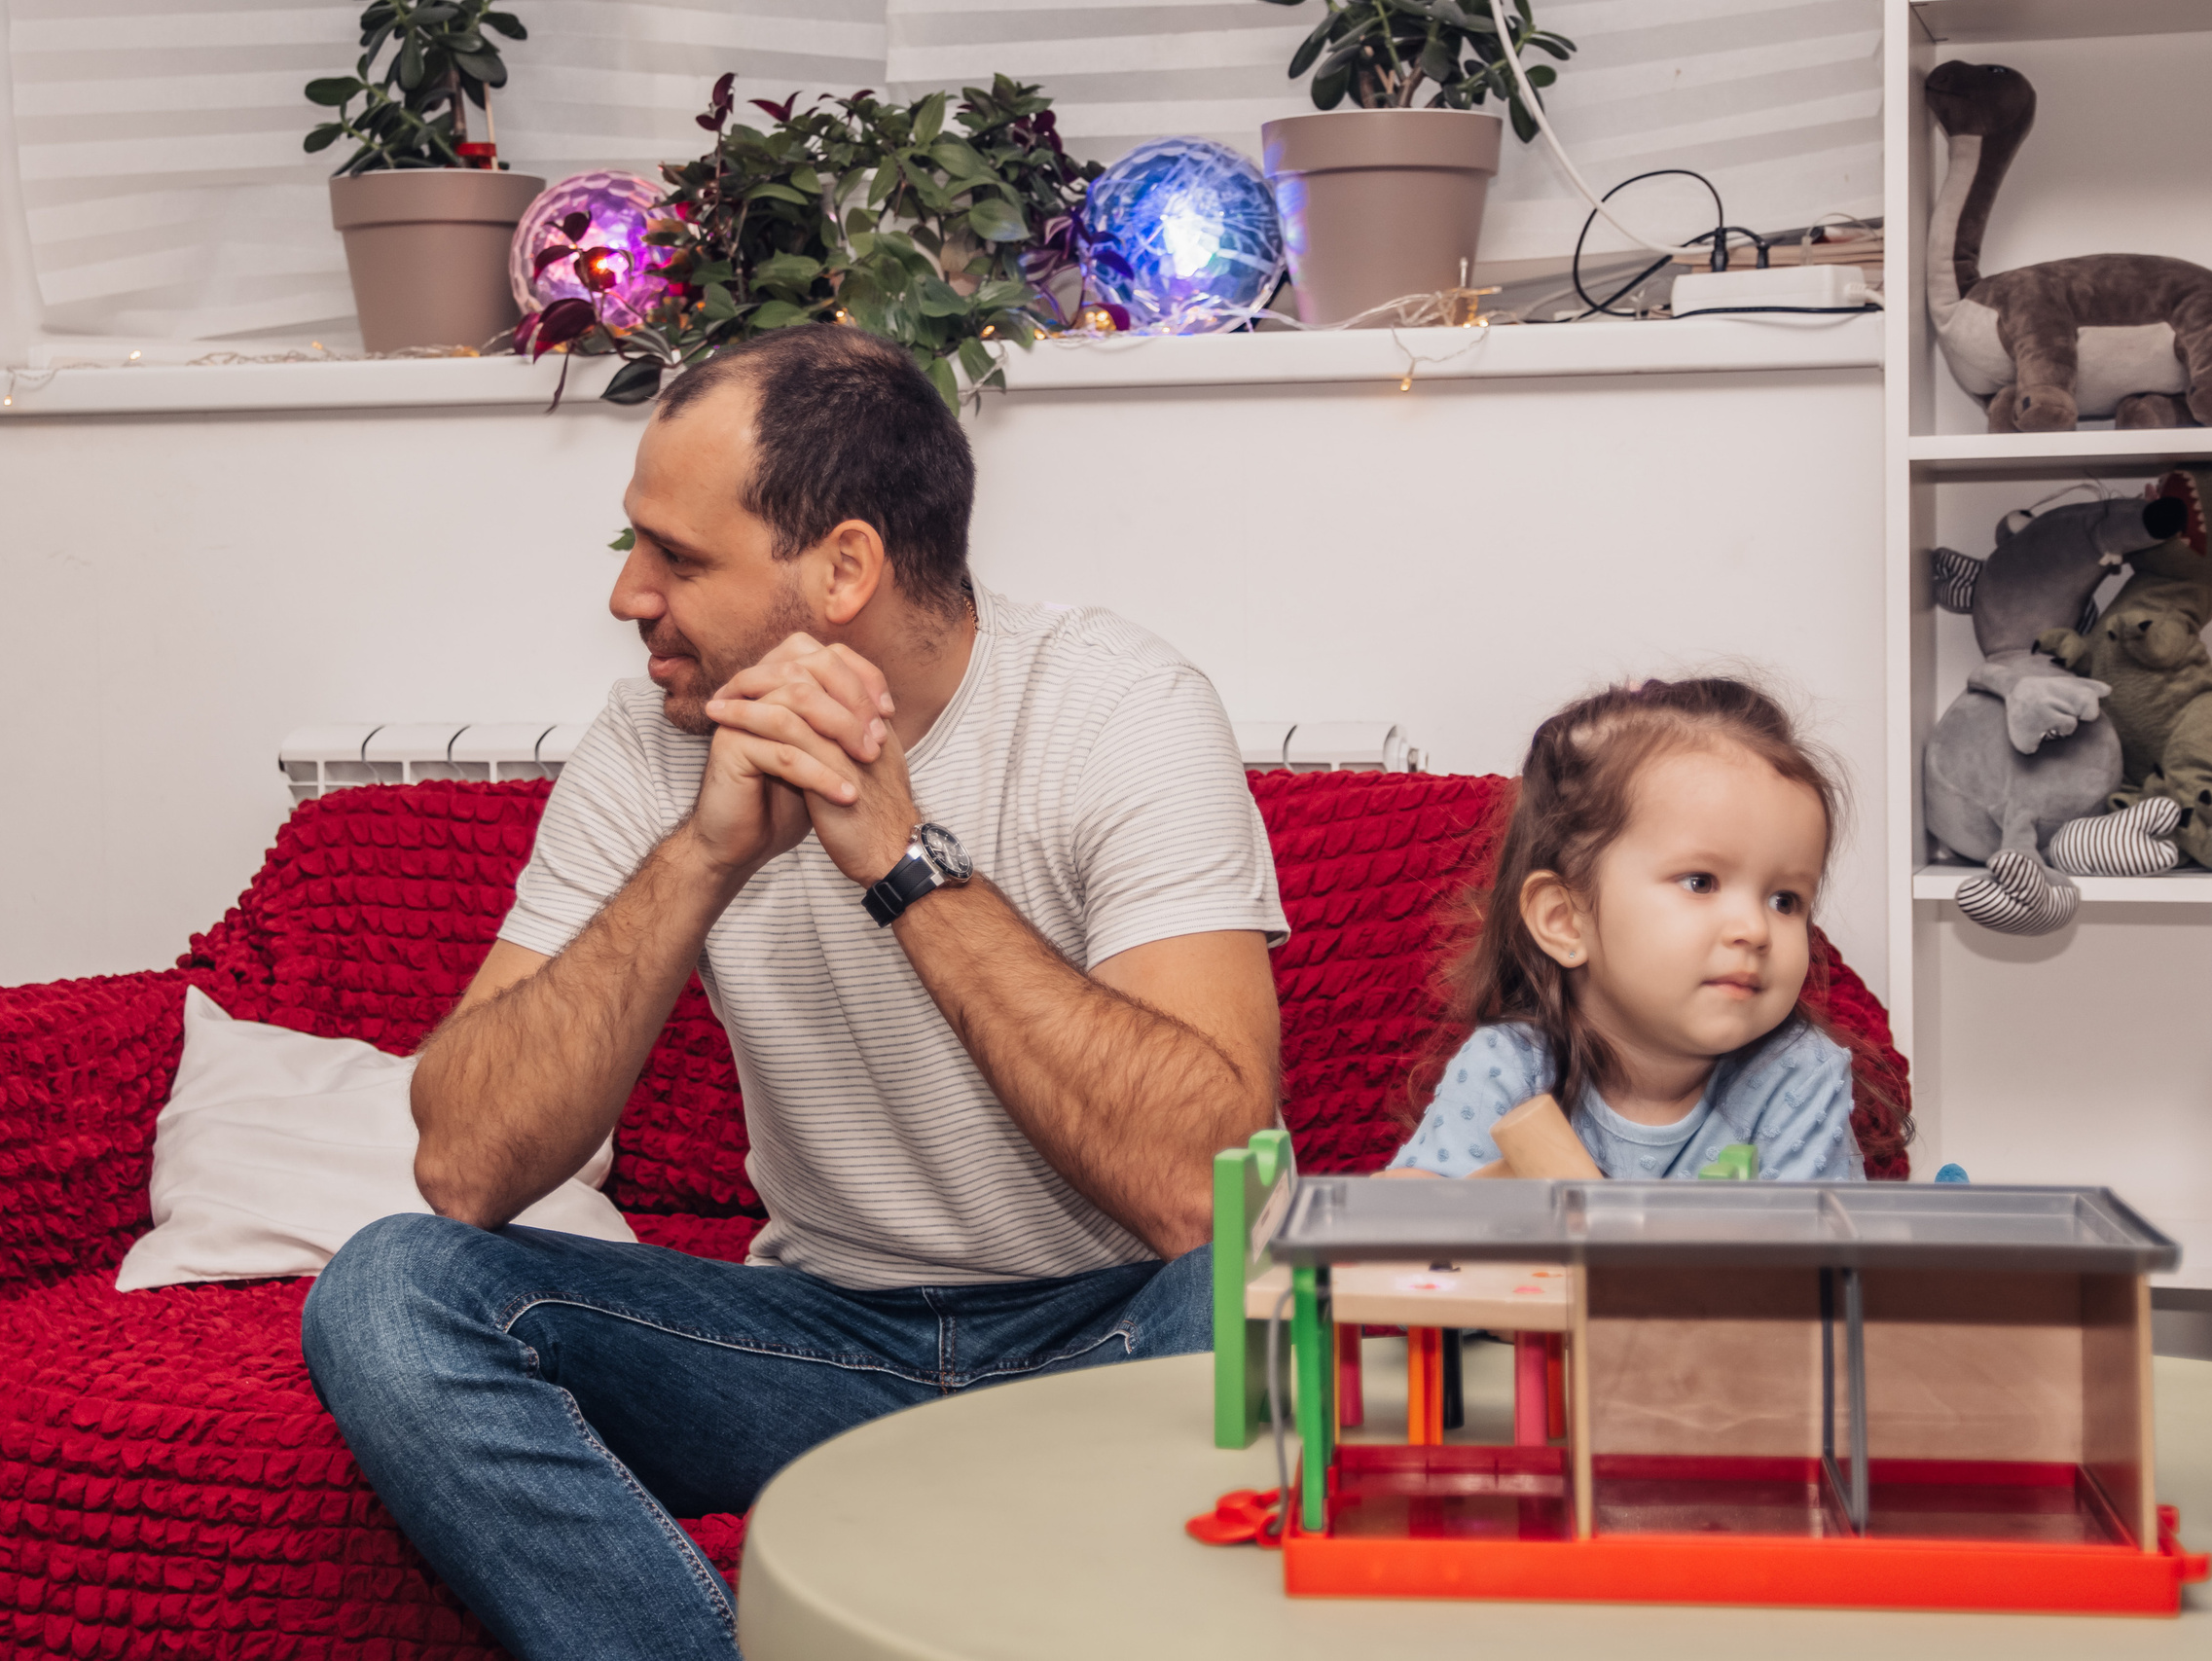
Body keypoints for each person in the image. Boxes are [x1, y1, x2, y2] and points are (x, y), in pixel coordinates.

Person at [299, 323, 1288, 1661]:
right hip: (823, 1345)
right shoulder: (657, 745)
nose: (629, 596)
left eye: (679, 557)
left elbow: (1203, 1178)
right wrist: (700, 858)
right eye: (632, 547)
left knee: (1251, 1281)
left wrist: (899, 854)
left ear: (844, 568)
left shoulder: (1119, 708)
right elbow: (463, 1164)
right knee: (388, 1291)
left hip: (1112, 1330)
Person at [1389, 677, 1892, 1182]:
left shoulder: (1798, 1077)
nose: (1754, 929)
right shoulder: (1508, 1070)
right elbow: (1404, 1226)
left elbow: (1816, 1260)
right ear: (1564, 921)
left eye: (1785, 900)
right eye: (1701, 882)